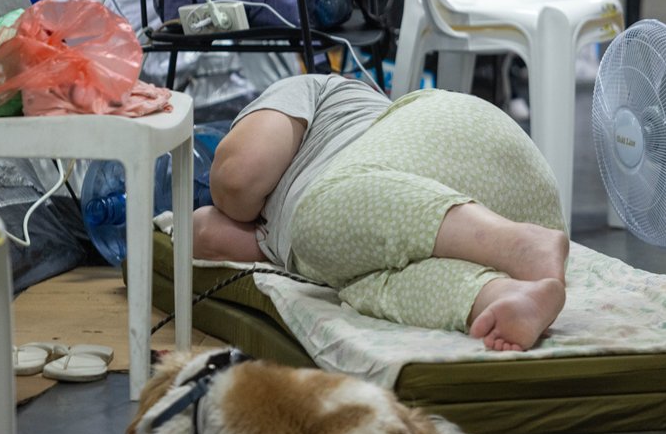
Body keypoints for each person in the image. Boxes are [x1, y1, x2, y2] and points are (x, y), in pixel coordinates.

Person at [192, 73, 570, 352]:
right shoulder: (309, 235)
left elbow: (236, 179)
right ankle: (502, 295)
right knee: (363, 285)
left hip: (453, 134)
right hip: (522, 192)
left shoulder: (314, 88)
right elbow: (206, 234)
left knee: (314, 227)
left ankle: (518, 244)